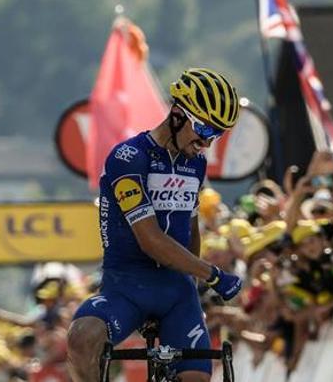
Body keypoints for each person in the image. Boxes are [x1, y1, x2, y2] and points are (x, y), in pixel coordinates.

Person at [67, 68, 244, 382]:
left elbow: (190, 231)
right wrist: (213, 274)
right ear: (177, 114)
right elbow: (150, 240)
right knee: (82, 336)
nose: (206, 141)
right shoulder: (129, 157)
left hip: (176, 293)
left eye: (217, 134)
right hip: (126, 287)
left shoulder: (196, 163)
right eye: (203, 128)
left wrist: (193, 286)